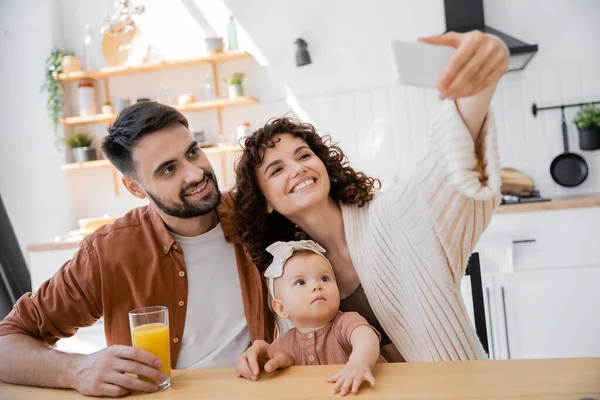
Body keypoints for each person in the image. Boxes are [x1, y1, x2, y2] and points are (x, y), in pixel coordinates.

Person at [232, 31, 508, 363]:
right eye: (276, 170)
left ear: (323, 164)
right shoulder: (286, 271)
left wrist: (485, 72)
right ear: (266, 202)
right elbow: (305, 354)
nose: (297, 169)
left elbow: (448, 165)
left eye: (304, 156)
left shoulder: (395, 214)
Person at [0, 102, 274, 397]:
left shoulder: (254, 215)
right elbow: (7, 341)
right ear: (135, 188)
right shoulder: (108, 251)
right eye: (168, 169)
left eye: (193, 152)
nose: (194, 174)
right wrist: (75, 369)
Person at [236, 240, 385, 396]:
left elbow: (366, 338)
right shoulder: (283, 345)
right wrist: (256, 363)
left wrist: (359, 362)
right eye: (300, 282)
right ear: (281, 308)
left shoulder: (346, 322)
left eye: (324, 278)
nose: (317, 286)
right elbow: (275, 365)